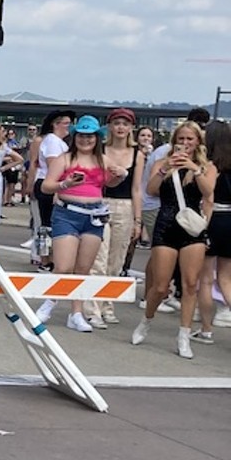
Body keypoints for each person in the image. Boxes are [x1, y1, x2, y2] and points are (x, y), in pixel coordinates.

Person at [131, 120, 214, 359]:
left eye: (190, 139)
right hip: (166, 224)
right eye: (181, 139)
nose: (185, 144)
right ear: (174, 140)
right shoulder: (161, 162)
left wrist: (193, 168)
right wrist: (166, 167)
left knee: (190, 285)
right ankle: (146, 320)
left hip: (191, 230)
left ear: (198, 141)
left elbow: (209, 192)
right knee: (160, 285)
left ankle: (184, 335)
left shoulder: (205, 166)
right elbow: (151, 190)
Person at [37, 117, 111, 333]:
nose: (85, 140)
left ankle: (76, 313)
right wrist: (65, 183)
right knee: (63, 266)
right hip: (67, 213)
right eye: (81, 135)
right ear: (75, 137)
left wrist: (120, 174)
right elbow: (46, 186)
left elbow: (112, 182)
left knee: (83, 269)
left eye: (90, 136)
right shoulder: (65, 159)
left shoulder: (102, 160)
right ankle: (49, 303)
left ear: (97, 138)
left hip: (94, 216)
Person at [88, 109, 145, 326]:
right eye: (117, 123)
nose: (121, 128)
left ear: (131, 128)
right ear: (110, 126)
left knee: (116, 260)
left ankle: (107, 304)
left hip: (125, 206)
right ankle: (92, 308)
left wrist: (138, 220)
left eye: (125, 124)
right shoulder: (99, 149)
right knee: (98, 259)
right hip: (101, 201)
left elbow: (137, 188)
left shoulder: (137, 153)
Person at [196, 120, 231, 342]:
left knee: (206, 279)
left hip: (214, 218)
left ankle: (206, 329)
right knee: (227, 278)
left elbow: (208, 199)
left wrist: (203, 228)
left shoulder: (210, 165)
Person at [26, 110, 71, 267]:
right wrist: (57, 189)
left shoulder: (59, 142)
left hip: (53, 184)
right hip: (48, 184)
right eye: (66, 123)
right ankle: (44, 260)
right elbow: (53, 165)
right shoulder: (52, 141)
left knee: (49, 224)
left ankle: (48, 258)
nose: (68, 127)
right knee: (46, 225)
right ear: (55, 124)